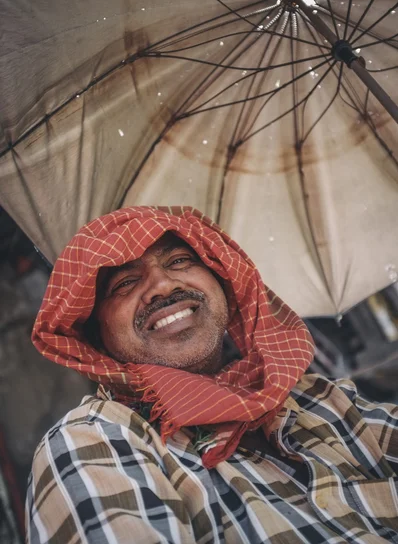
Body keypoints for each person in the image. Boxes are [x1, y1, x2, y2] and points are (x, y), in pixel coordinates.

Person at [27, 206, 398, 544]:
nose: (162, 285)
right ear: (96, 337)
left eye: (180, 260)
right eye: (124, 283)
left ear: (224, 282)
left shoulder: (317, 399)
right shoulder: (91, 441)